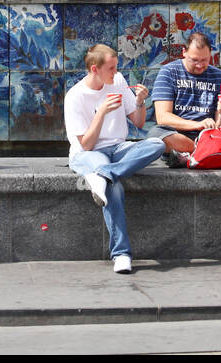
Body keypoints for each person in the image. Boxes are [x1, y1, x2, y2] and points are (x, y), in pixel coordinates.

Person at [64, 44, 161, 274]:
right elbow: (86, 144)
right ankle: (122, 254)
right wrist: (100, 114)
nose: (117, 73)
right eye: (112, 68)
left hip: (118, 149)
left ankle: (105, 176)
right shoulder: (75, 97)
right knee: (113, 188)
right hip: (87, 154)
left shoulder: (116, 82)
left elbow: (138, 122)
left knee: (157, 144)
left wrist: (139, 102)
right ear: (95, 69)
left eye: (116, 67)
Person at [150, 31, 221, 167]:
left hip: (211, 135)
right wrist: (197, 124)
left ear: (210, 54)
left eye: (205, 60)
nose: (200, 65)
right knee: (156, 135)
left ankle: (192, 155)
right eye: (194, 60)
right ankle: (214, 152)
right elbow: (163, 117)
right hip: (181, 135)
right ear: (184, 52)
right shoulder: (168, 72)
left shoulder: (219, 76)